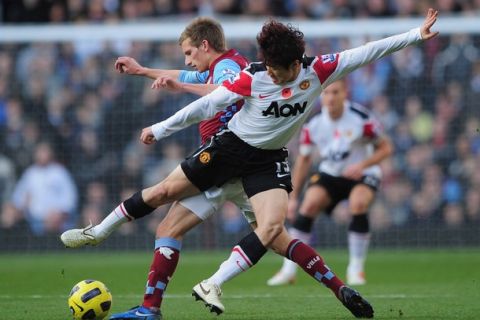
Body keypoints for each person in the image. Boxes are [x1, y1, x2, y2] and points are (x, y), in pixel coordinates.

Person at [65, 9, 438, 320]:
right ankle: (112, 251)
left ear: (296, 63)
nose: (271, 75)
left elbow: (369, 51)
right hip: (229, 152)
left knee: (276, 231)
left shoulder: (319, 71)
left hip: (265, 162)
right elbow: (208, 102)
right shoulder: (253, 74)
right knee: (164, 198)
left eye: (278, 70)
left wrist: (416, 34)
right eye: (269, 69)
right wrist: (160, 127)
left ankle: (336, 290)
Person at [266, 79, 393, 287]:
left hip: (362, 173)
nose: (331, 98)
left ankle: (356, 268)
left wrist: (363, 165)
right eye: (327, 93)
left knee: (358, 204)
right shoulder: (313, 123)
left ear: (345, 94)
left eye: (336, 93)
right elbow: (304, 160)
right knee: (309, 206)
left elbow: (386, 148)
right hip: (331, 174)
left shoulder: (362, 119)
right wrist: (294, 197)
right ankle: (288, 270)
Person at [1, 141, 78, 235]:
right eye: (39, 151)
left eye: (44, 151)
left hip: (55, 217)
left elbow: (70, 198)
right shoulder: (30, 173)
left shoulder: (59, 172)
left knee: (52, 222)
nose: (41, 154)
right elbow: (18, 198)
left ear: (50, 153)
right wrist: (20, 206)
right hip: (31, 218)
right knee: (7, 213)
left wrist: (59, 212)